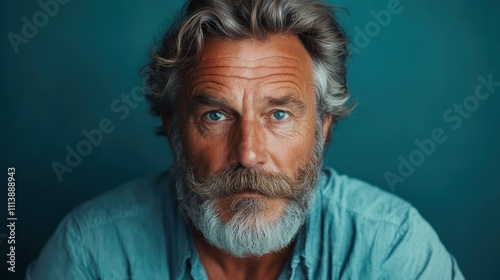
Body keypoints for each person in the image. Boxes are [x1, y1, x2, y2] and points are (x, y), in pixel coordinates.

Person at [27, 0, 464, 279]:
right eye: (215, 115)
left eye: (278, 114)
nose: (249, 154)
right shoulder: (89, 253)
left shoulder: (392, 250)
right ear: (173, 127)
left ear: (323, 128)